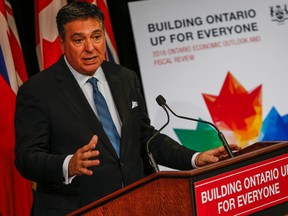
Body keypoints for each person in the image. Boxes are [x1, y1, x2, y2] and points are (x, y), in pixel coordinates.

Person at [14, 2, 239, 215]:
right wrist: (68, 165)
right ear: (62, 44)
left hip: (136, 204)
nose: (90, 48)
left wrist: (194, 158)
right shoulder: (38, 91)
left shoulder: (124, 78)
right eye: (78, 40)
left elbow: (144, 138)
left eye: (96, 37)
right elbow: (27, 158)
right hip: (77, 208)